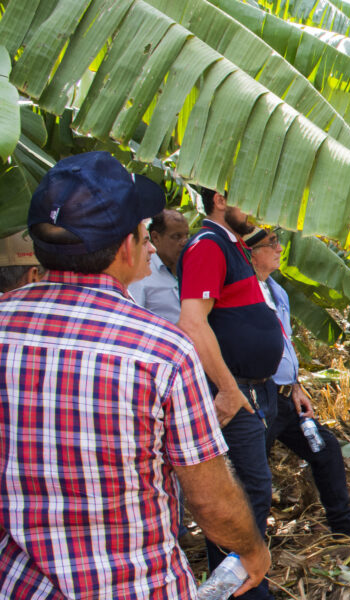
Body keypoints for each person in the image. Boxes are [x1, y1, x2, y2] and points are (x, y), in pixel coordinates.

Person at [0, 152, 268, 597]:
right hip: (134, 585)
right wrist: (252, 551)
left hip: (21, 584)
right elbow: (210, 500)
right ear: (126, 246)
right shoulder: (160, 352)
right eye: (145, 234)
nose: (152, 246)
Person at [177, 188, 285, 600]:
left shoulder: (233, 246)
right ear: (221, 199)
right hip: (232, 388)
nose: (256, 208)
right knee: (241, 494)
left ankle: (243, 584)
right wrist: (226, 388)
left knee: (253, 490)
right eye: (247, 196)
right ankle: (239, 590)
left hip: (250, 388)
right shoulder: (208, 245)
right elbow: (193, 323)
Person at [246, 226, 350, 538]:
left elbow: (285, 344)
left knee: (326, 448)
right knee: (253, 470)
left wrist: (295, 385)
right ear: (251, 253)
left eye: (278, 241)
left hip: (284, 395)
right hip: (259, 394)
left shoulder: (276, 291)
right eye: (271, 244)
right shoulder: (244, 293)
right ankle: (252, 542)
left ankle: (343, 524)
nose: (279, 249)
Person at [129, 208, 189, 322]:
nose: (184, 242)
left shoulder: (187, 267)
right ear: (155, 237)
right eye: (176, 236)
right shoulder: (141, 272)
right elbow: (133, 318)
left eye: (186, 236)